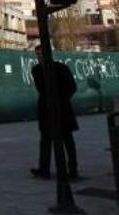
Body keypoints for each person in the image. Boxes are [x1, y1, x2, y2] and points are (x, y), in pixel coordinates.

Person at [30, 45, 79, 180]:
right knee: (46, 140)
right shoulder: (37, 70)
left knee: (67, 140)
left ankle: (72, 169)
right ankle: (44, 169)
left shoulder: (61, 68)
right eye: (37, 54)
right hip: (47, 108)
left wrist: (61, 100)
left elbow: (72, 87)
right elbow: (42, 88)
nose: (39, 57)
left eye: (41, 54)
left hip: (61, 108)